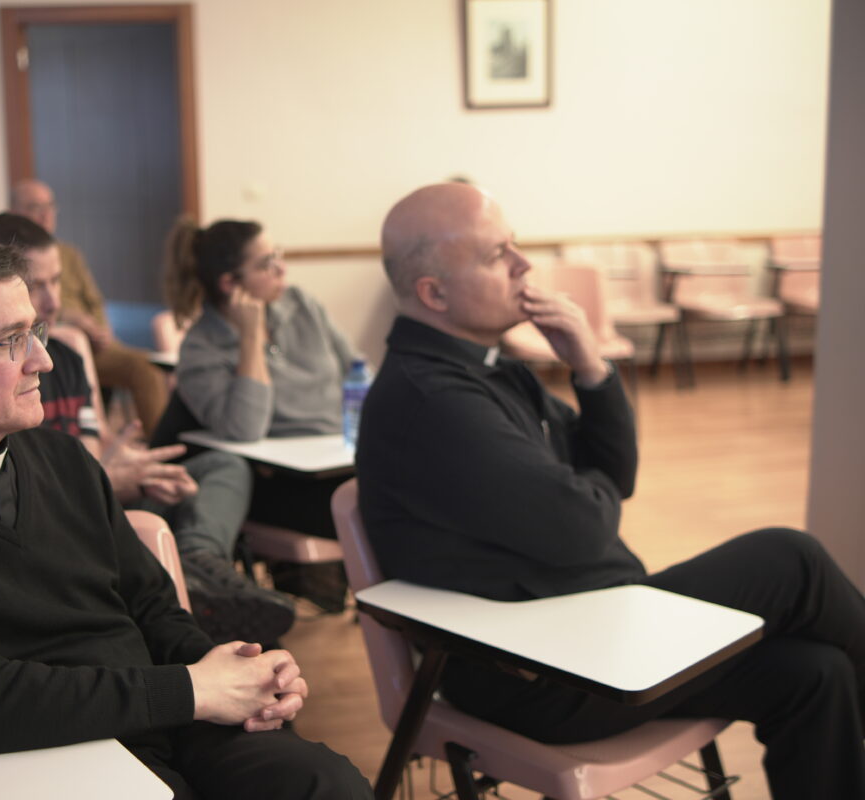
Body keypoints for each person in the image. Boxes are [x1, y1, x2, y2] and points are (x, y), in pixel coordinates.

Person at [0, 234, 369, 799]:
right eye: (10, 341)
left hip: (166, 716)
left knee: (327, 784)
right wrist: (190, 689)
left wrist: (234, 673)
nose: (43, 359)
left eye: (35, 331)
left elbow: (151, 607)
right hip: (43, 752)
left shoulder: (65, 460)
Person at [356, 181, 865, 798]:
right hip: (534, 670)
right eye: (496, 255)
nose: (523, 264)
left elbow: (614, 478)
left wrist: (590, 366)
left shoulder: (485, 370)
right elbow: (585, 528)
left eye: (514, 245)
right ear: (433, 293)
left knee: (816, 673)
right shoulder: (434, 401)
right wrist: (581, 494)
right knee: (792, 559)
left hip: (586, 627)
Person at [0, 212, 294, 644]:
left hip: (96, 496)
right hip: (60, 521)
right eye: (35, 285)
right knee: (243, 640)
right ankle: (203, 596)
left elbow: (90, 453)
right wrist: (107, 478)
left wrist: (129, 467)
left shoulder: (65, 360)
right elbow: (32, 489)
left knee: (222, 467)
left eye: (57, 281)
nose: (52, 300)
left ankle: (202, 567)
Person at [166, 216, 359, 610]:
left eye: (278, 256)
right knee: (387, 507)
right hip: (278, 483)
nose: (281, 269)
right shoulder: (201, 349)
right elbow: (245, 428)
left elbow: (357, 372)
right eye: (267, 264)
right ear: (230, 284)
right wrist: (251, 337)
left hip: (338, 459)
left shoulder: (302, 305)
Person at [10, 178, 167, 436]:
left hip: (96, 341)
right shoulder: (8, 257)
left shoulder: (69, 254)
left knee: (153, 365)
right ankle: (161, 446)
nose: (45, 214)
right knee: (143, 370)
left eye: (50, 206)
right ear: (14, 211)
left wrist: (101, 331)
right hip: (56, 338)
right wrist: (72, 319)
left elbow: (94, 300)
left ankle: (158, 444)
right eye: (35, 207)